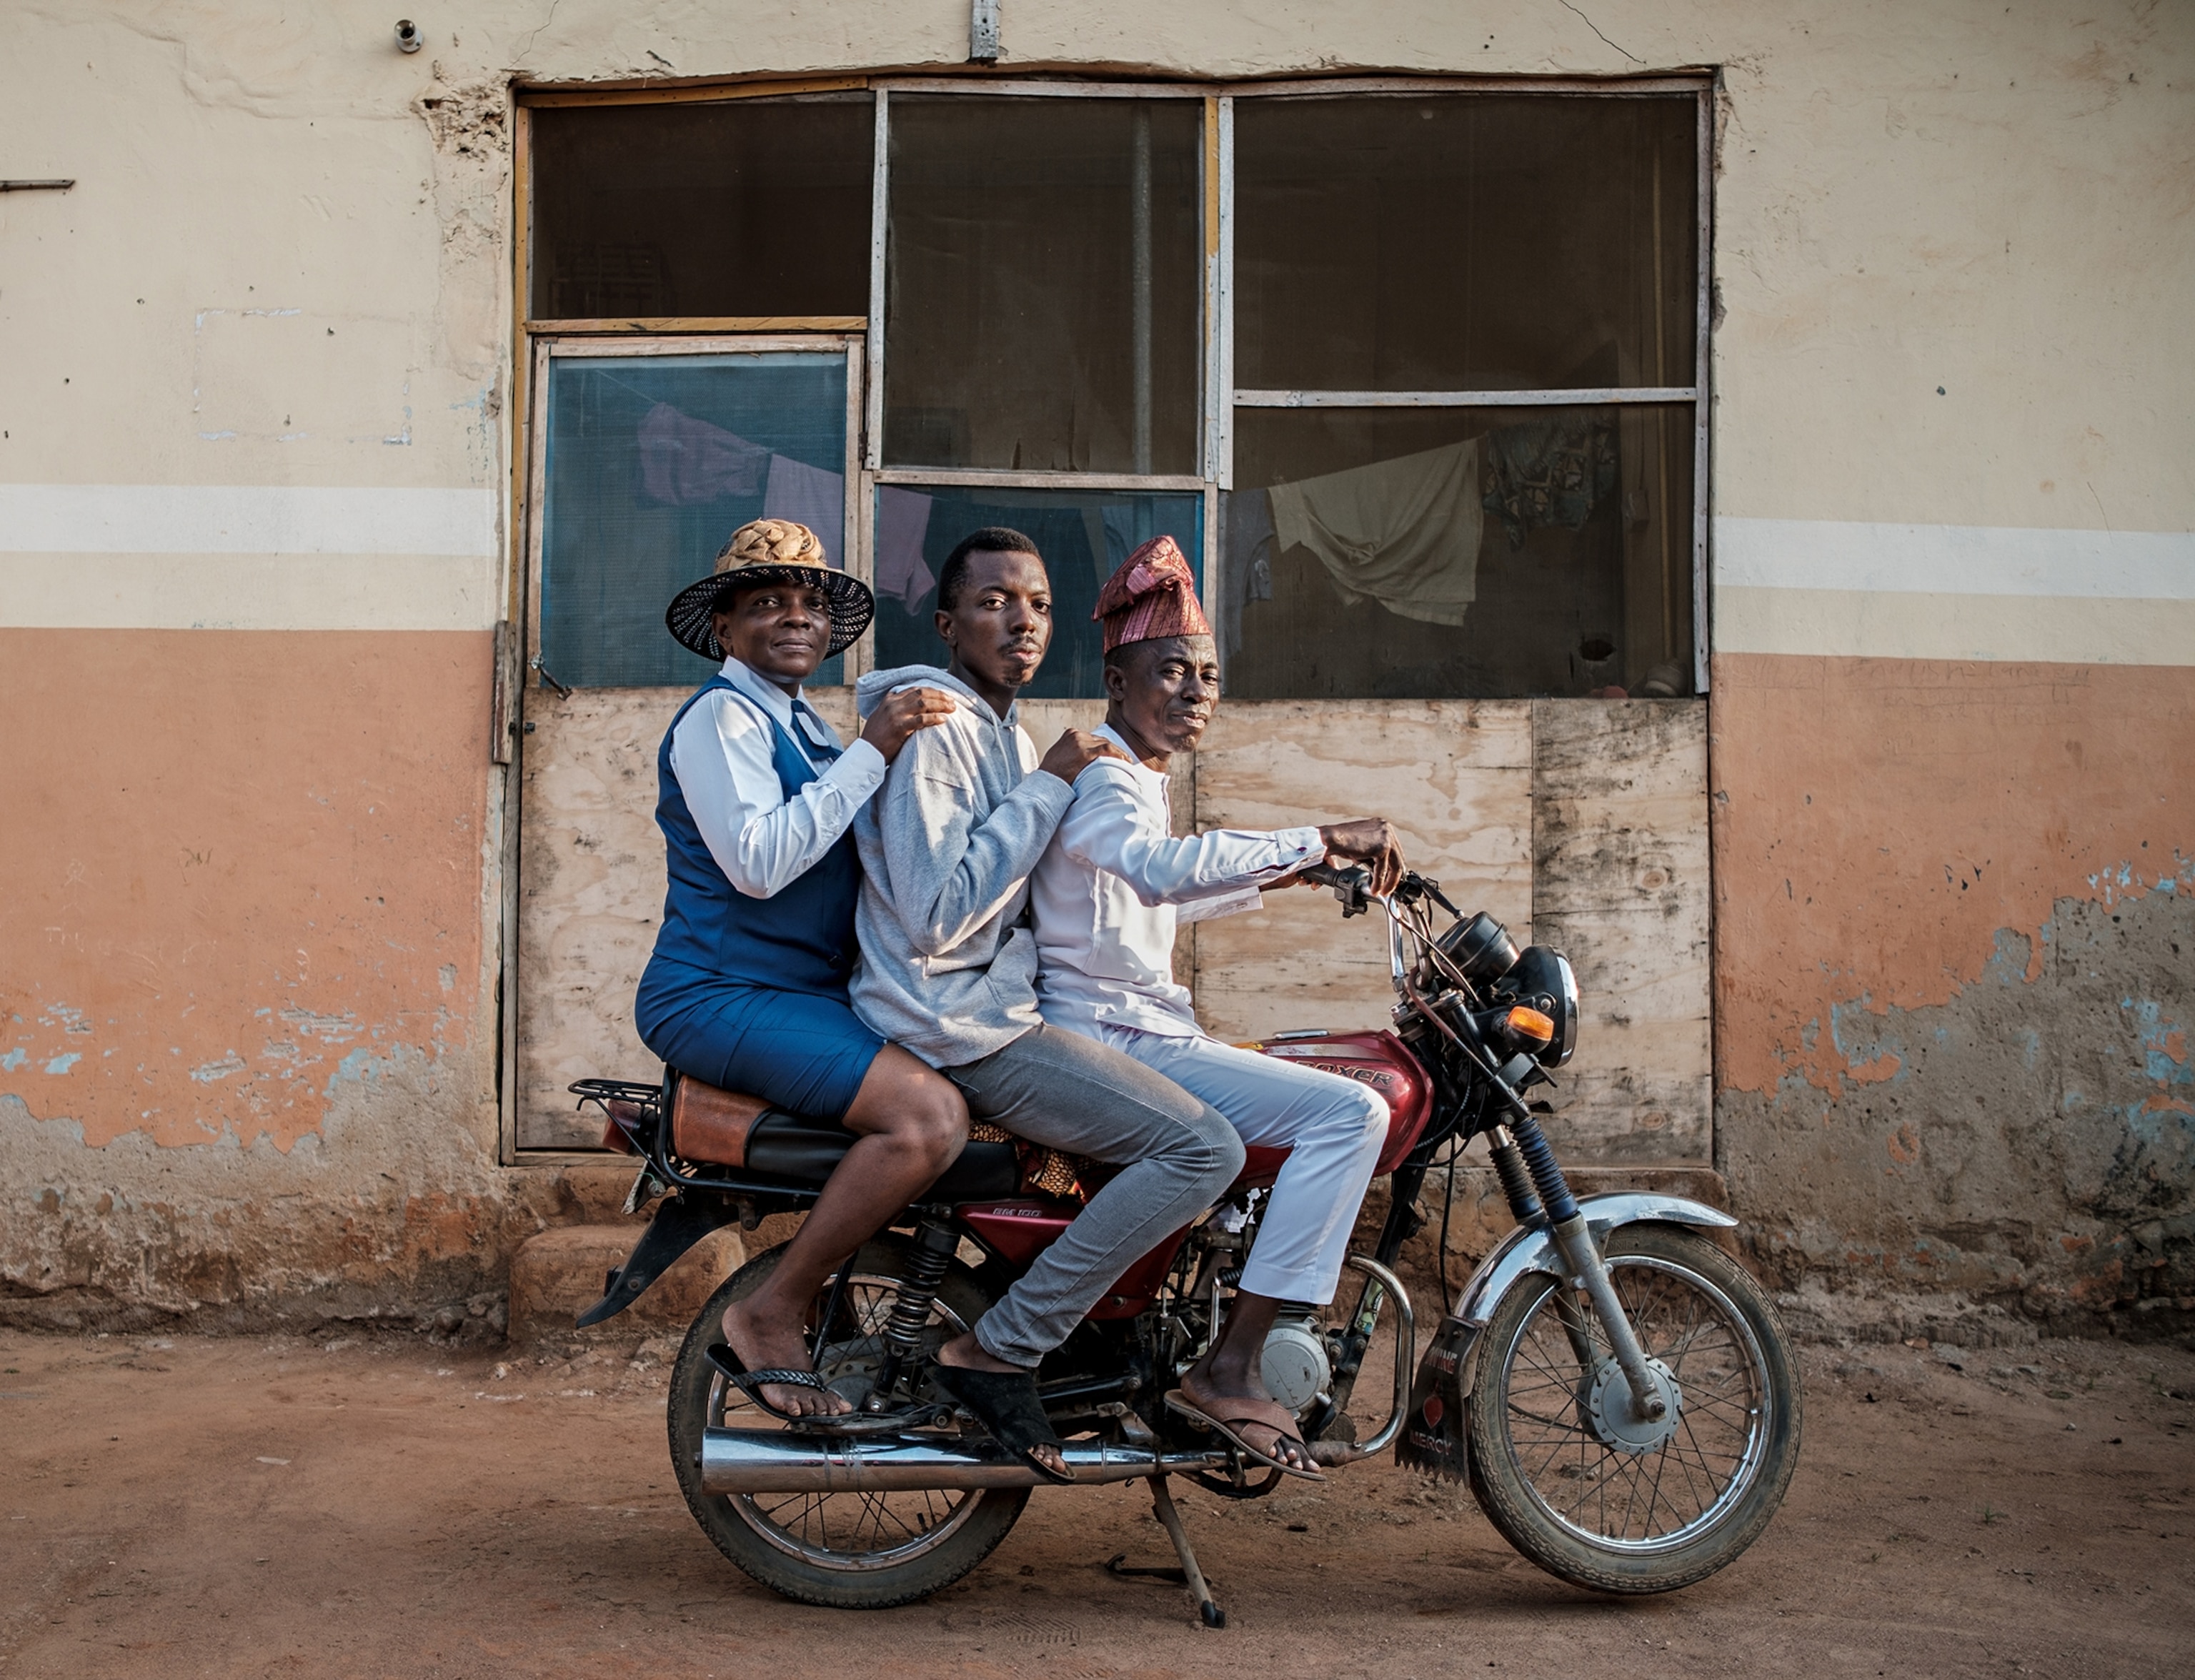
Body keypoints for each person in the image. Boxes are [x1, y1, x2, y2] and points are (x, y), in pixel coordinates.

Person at [849, 527, 1246, 1483]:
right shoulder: (943, 733)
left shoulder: (1007, 732)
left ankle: (1118, 1356)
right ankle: (1007, 1343)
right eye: (992, 602)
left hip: (995, 1008)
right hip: (958, 1023)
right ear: (948, 623)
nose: (1018, 620)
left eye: (1035, 603)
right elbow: (940, 914)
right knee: (1203, 1146)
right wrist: (1049, 787)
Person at [1027, 534, 1404, 1478]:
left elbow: (1145, 891)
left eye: (1207, 673)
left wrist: (1299, 873)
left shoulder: (1134, 775)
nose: (1195, 689)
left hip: (1129, 1028)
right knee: (1349, 1110)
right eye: (1171, 670)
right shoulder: (1110, 775)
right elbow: (1157, 872)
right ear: (1119, 679)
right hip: (1111, 1036)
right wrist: (1318, 833)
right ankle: (1231, 1364)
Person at [634, 518, 969, 1420]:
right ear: (725, 628)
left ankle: (841, 1296)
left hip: (805, 992)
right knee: (928, 1117)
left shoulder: (807, 727)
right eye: (768, 603)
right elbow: (759, 861)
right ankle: (770, 1310)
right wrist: (874, 750)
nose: (796, 618)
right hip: (718, 992)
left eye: (812, 604)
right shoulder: (722, 716)